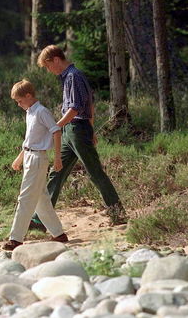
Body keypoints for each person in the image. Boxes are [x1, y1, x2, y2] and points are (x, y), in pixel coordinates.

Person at [30, 45, 127, 230]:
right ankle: (39, 220)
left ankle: (118, 214)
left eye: (48, 66)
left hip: (76, 129)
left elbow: (75, 108)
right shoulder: (68, 77)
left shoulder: (73, 76)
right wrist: (89, 129)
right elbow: (89, 104)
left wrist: (56, 126)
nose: (49, 70)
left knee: (95, 172)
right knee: (56, 173)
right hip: (71, 131)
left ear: (56, 60)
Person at [3, 80, 68, 251]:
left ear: (29, 96)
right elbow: (30, 141)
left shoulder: (41, 112)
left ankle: (15, 238)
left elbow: (56, 131)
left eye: (19, 101)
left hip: (38, 159)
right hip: (29, 157)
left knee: (25, 198)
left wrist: (58, 158)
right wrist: (19, 159)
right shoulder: (29, 113)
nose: (18, 104)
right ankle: (58, 234)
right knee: (41, 199)